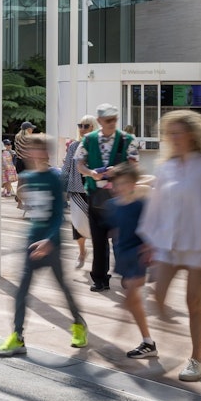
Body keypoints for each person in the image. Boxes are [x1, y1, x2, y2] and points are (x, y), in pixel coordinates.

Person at [138, 109, 201, 382]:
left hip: (200, 245)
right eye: (169, 133)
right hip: (168, 245)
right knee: (157, 298)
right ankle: (171, 346)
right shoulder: (166, 167)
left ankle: (197, 360)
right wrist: (149, 241)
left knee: (193, 302)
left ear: (192, 135)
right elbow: (155, 206)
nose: (172, 138)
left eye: (177, 133)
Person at [0, 133, 88, 357]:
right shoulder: (27, 177)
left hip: (51, 243)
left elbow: (59, 215)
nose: (34, 154)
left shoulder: (54, 178)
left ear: (45, 153)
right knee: (22, 290)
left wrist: (49, 240)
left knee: (62, 287)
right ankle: (17, 337)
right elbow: (32, 211)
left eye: (38, 149)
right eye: (31, 149)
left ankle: (79, 325)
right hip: (32, 242)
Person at [76, 103, 139, 292]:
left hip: (121, 196)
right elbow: (80, 164)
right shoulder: (88, 140)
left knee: (122, 238)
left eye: (115, 119)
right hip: (96, 195)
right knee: (98, 239)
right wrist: (91, 173)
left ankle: (127, 273)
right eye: (108, 120)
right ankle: (100, 278)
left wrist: (117, 171)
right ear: (100, 121)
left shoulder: (127, 139)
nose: (112, 123)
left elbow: (134, 166)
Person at [105, 163, 157, 360]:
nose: (121, 187)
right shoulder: (112, 206)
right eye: (117, 183)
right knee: (133, 301)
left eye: (125, 182)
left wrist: (149, 247)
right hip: (123, 255)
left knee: (130, 299)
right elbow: (115, 230)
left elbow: (152, 227)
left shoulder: (141, 205)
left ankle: (129, 338)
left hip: (138, 255)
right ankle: (148, 342)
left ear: (134, 183)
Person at [61, 115, 96, 269]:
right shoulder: (74, 146)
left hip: (94, 190)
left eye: (86, 126)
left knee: (95, 224)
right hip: (76, 189)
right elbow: (66, 168)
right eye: (80, 125)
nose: (82, 129)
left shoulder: (98, 146)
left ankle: (98, 258)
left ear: (93, 127)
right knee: (77, 223)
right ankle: (82, 252)